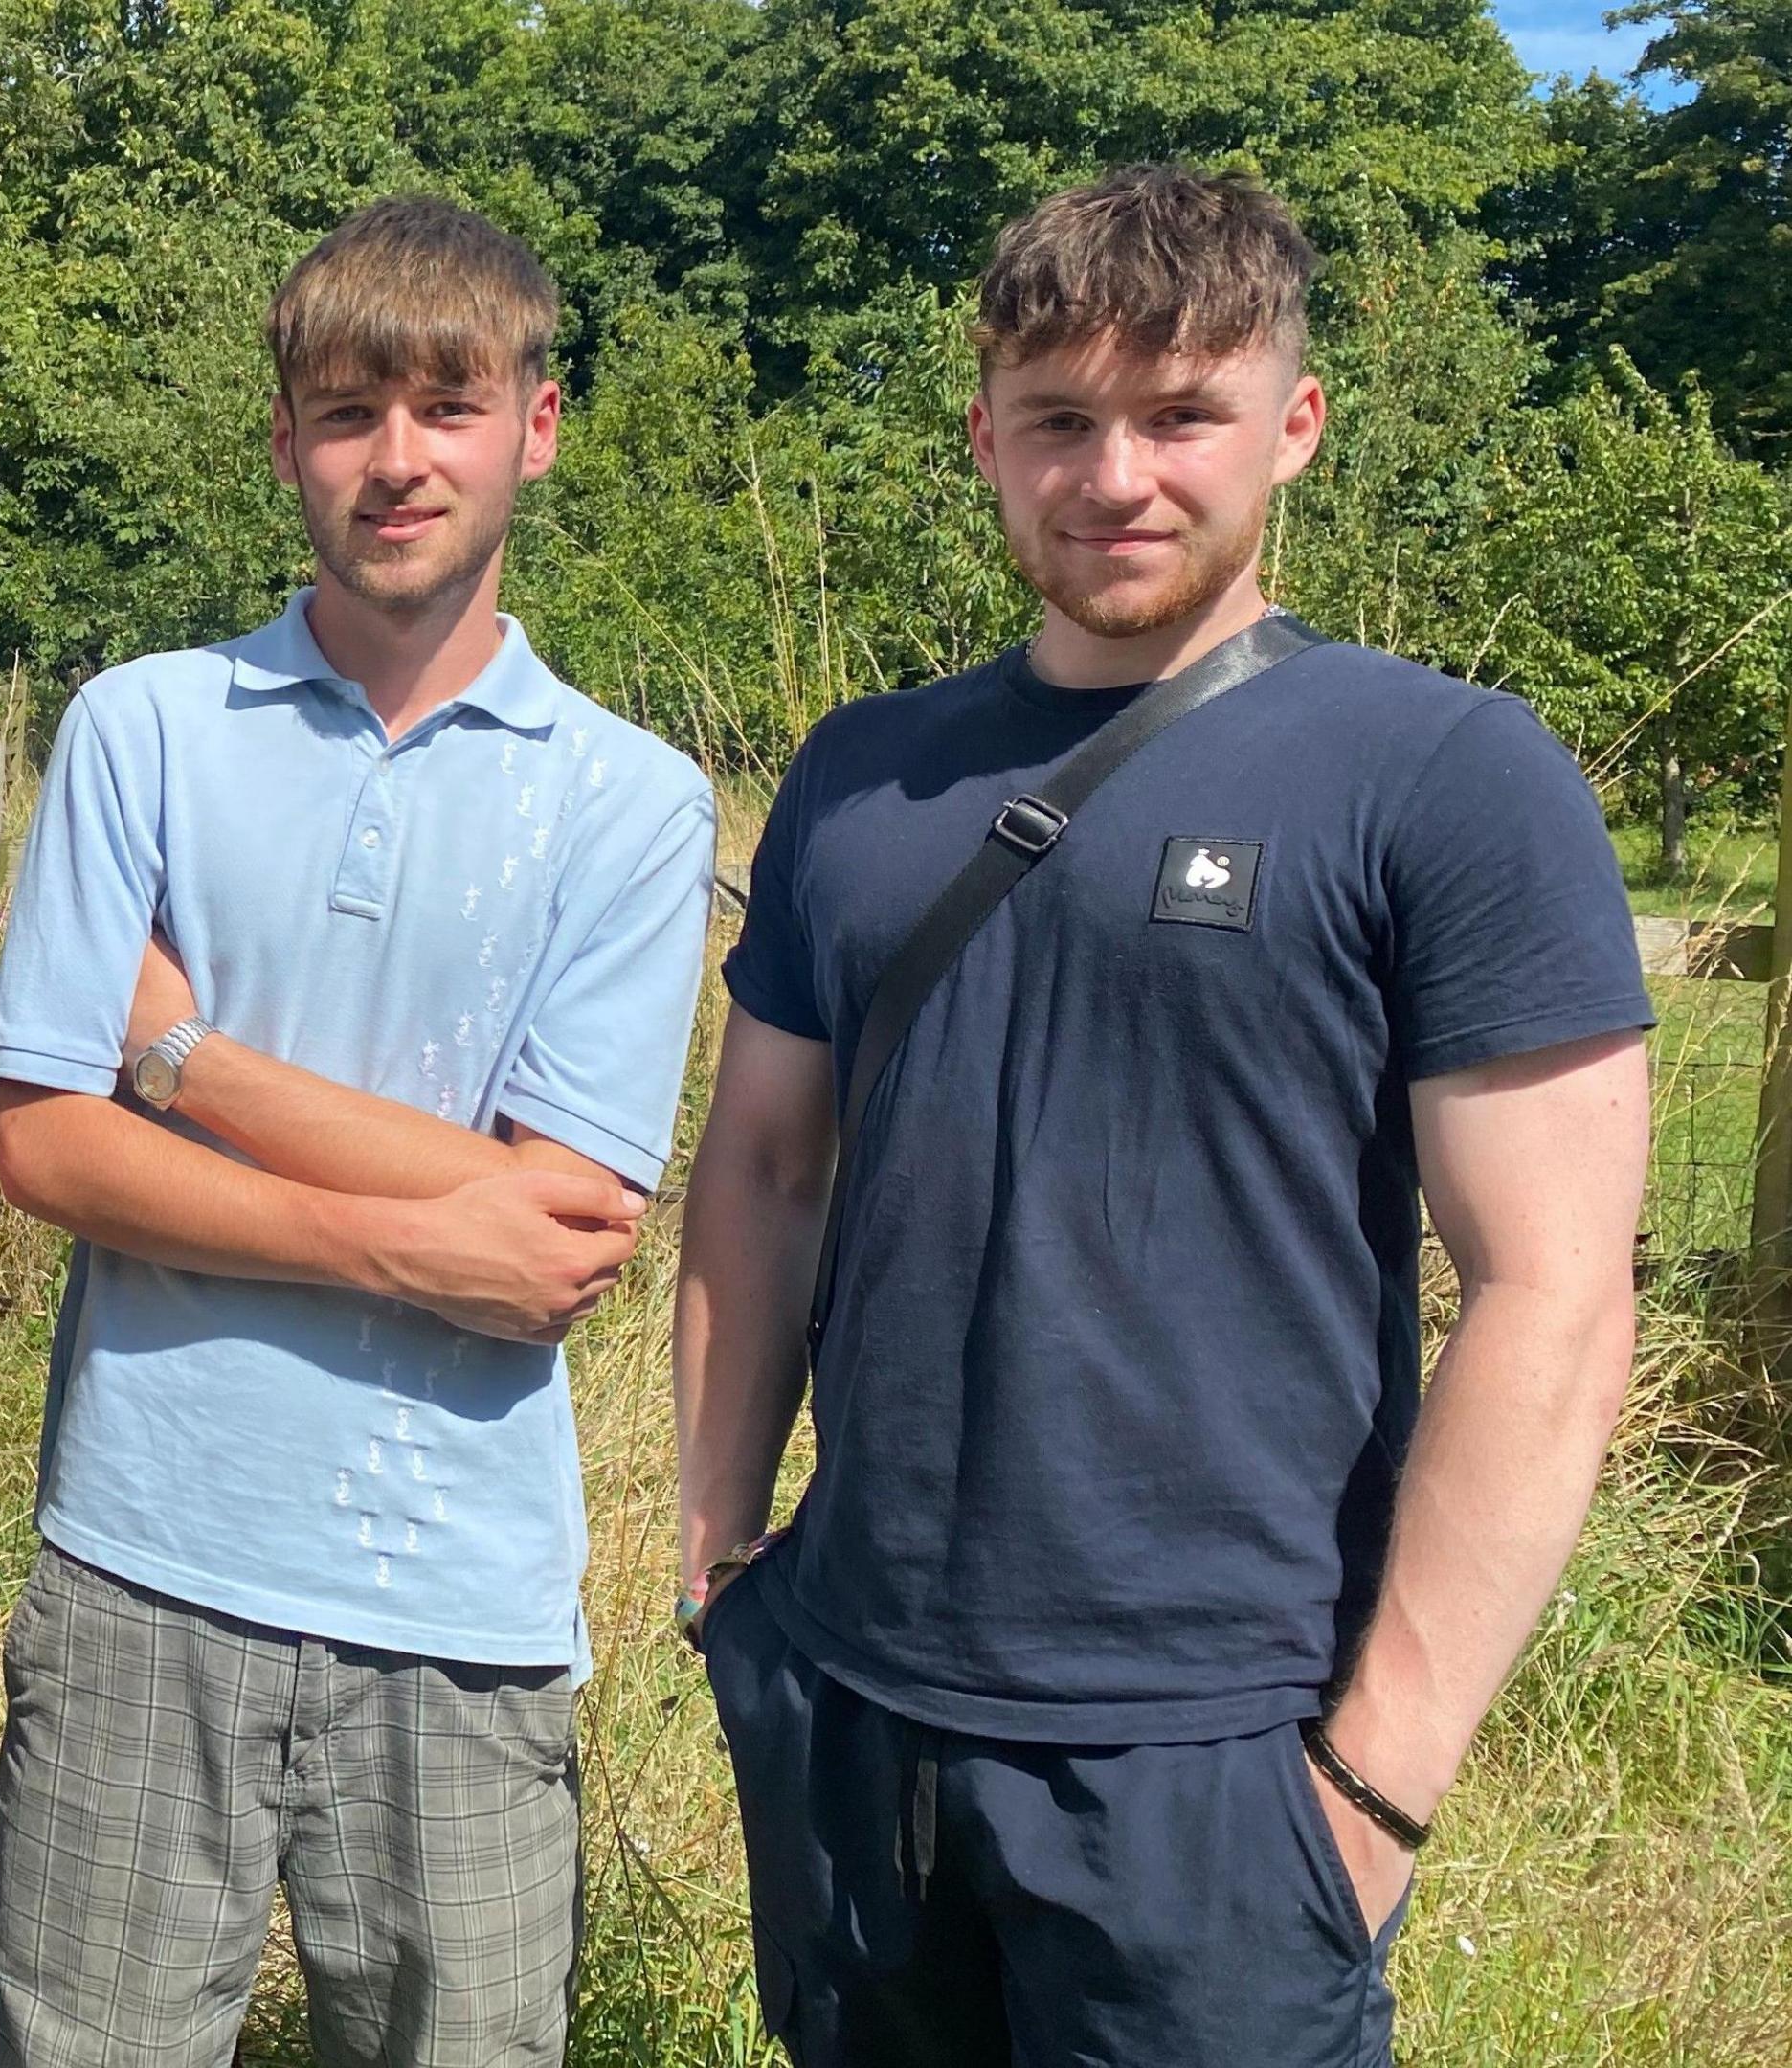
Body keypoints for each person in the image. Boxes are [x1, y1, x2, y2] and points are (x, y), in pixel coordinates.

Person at [673, 164, 1650, 2067]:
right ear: (984, 438)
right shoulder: (862, 778)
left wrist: (1373, 1788)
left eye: (1181, 414)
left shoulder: (1446, 775)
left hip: (1215, 1748)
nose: (1115, 476)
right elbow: (769, 1163)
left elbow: (1555, 1293)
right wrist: (722, 1548)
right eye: (1060, 422)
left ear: (1293, 425)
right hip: (857, 1703)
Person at [0, 196, 717, 2067]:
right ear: (286, 438)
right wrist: (408, 1237)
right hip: (142, 1563)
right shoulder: (142, 729)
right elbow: (45, 1155)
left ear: (535, 426)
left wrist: (184, 1060)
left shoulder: (631, 802)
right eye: (344, 411)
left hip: (460, 1610)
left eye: (446, 406)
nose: (397, 460)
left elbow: (556, 1234)